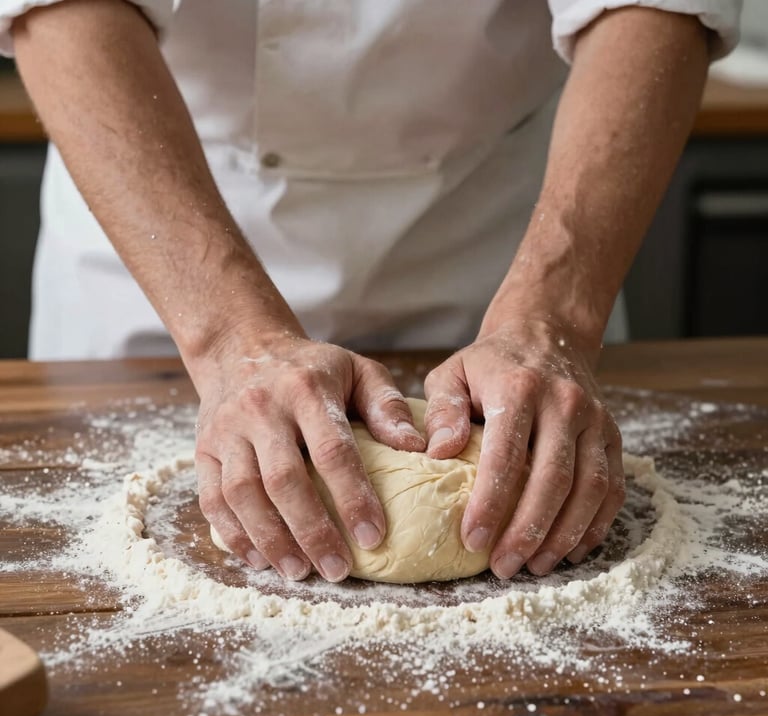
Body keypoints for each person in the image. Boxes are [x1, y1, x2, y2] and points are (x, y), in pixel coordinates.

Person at [1, 0, 740, 583]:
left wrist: (552, 322)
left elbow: (656, 5)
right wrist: (230, 342)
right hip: (163, 243)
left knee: (529, 465)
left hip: (494, 235)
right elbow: (64, 7)